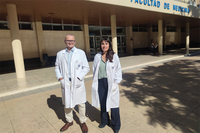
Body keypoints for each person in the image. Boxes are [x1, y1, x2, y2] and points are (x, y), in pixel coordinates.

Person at [55, 34, 90, 133]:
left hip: (77, 82)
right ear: (65, 41)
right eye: (68, 40)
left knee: (81, 103)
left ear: (75, 41)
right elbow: (57, 66)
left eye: (72, 41)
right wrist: (60, 78)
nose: (70, 42)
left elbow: (86, 67)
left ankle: (83, 122)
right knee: (67, 103)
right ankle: (69, 121)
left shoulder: (81, 53)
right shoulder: (60, 54)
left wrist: (79, 77)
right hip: (66, 81)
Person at [91, 38, 122, 133]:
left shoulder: (114, 56)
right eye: (102, 44)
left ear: (109, 45)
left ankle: (116, 124)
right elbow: (94, 69)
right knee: (103, 103)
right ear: (100, 45)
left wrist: (116, 82)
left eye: (106, 43)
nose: (104, 46)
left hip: (111, 83)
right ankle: (105, 120)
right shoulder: (97, 56)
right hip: (100, 82)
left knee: (114, 104)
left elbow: (118, 70)